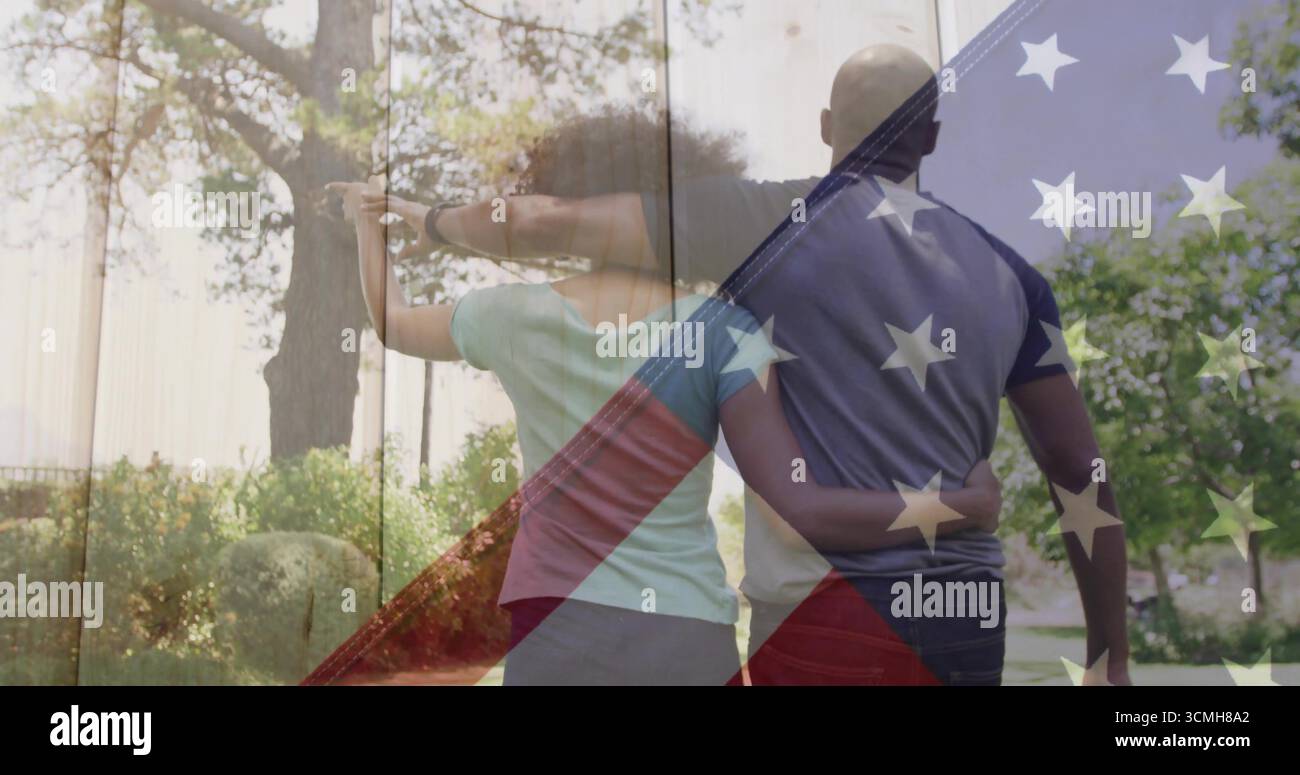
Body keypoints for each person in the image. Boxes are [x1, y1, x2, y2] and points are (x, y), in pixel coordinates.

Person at [366, 44, 1132, 686]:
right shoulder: (1012, 278)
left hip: (819, 616)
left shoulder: (760, 224)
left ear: (826, 125)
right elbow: (1079, 470)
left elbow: (543, 222)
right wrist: (1110, 654)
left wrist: (426, 222)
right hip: (964, 620)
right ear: (931, 137)